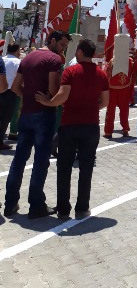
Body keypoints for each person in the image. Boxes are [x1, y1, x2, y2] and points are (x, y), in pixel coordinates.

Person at [35, 39, 109, 220]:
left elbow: (62, 95)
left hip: (70, 124)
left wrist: (48, 102)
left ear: (80, 52)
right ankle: (82, 208)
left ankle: (63, 209)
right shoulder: (101, 74)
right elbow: (105, 101)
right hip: (91, 125)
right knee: (86, 168)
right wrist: (91, 108)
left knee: (64, 167)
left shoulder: (71, 71)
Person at [3, 31, 71, 219]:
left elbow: (15, 87)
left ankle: (10, 203)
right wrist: (55, 100)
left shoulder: (28, 57)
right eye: (62, 45)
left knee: (19, 160)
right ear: (53, 40)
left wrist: (28, 96)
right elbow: (53, 89)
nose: (63, 49)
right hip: (45, 115)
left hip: (26, 115)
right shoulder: (54, 60)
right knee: (40, 161)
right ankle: (36, 205)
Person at [103, 53, 137, 139]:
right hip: (125, 87)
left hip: (112, 88)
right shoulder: (130, 61)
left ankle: (108, 131)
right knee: (124, 109)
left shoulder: (112, 61)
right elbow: (134, 74)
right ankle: (125, 129)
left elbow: (107, 74)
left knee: (110, 110)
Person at [0, 44, 19, 150]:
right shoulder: (17, 62)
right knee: (5, 118)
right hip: (10, 92)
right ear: (16, 51)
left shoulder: (2, 59)